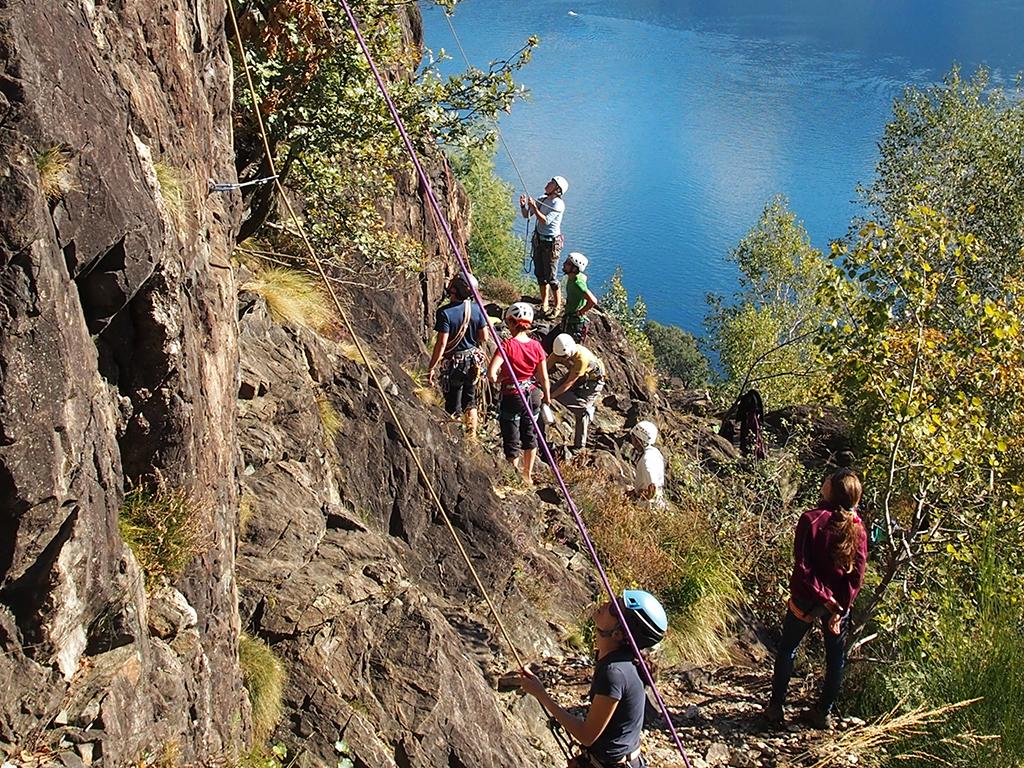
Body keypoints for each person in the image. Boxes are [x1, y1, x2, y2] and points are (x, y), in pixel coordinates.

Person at [509, 590, 668, 768]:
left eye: (614, 607)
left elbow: (587, 735)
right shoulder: (618, 660)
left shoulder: (614, 672)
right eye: (614, 600)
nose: (607, 603)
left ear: (618, 633)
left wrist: (541, 695)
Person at [764, 468, 867, 729]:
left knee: (788, 648)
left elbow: (803, 568)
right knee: (835, 659)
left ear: (832, 490)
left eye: (828, 480)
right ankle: (823, 713)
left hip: (807, 596)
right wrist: (840, 606)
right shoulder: (858, 527)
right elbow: (857, 575)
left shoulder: (811, 519)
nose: (824, 481)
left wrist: (825, 599)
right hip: (838, 605)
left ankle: (776, 709)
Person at [487, 302, 552, 486]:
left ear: (511, 322)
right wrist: (547, 398)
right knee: (530, 435)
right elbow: (544, 378)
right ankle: (527, 476)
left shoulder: (507, 346)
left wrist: (502, 379)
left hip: (512, 395)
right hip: (533, 395)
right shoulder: (537, 347)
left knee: (512, 437)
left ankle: (512, 477)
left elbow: (492, 374)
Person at [427, 273, 488, 438]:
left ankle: (454, 437)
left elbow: (441, 344)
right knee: (471, 400)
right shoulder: (476, 309)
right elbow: (484, 337)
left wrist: (432, 367)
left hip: (454, 363)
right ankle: (471, 436)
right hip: (472, 361)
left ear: (455, 288)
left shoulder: (444, 313)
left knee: (453, 402)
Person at [549, 333, 606, 455]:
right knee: (553, 390)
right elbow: (545, 367)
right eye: (561, 356)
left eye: (564, 356)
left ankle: (580, 446)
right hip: (580, 376)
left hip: (593, 381)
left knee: (581, 413)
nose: (563, 359)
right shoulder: (558, 352)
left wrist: (549, 397)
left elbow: (568, 384)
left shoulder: (581, 358)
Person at [520, 176, 568, 317]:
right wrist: (524, 206)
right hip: (539, 241)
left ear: (557, 189)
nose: (548, 183)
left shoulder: (558, 204)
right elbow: (527, 215)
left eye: (552, 183)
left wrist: (534, 206)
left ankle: (557, 306)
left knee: (551, 277)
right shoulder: (542, 199)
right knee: (540, 274)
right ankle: (545, 303)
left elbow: (546, 221)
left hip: (551, 243)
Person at [561, 252, 598, 342]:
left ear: (575, 269)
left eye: (568, 264)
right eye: (566, 262)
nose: (564, 264)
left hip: (575, 322)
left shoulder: (577, 284)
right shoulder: (574, 277)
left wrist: (581, 312)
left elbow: (593, 301)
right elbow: (583, 276)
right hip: (570, 317)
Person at [628, 421, 666, 507]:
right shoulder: (655, 453)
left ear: (638, 439)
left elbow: (652, 485)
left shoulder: (646, 459)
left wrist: (642, 497)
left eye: (633, 437)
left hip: (648, 505)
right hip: (658, 502)